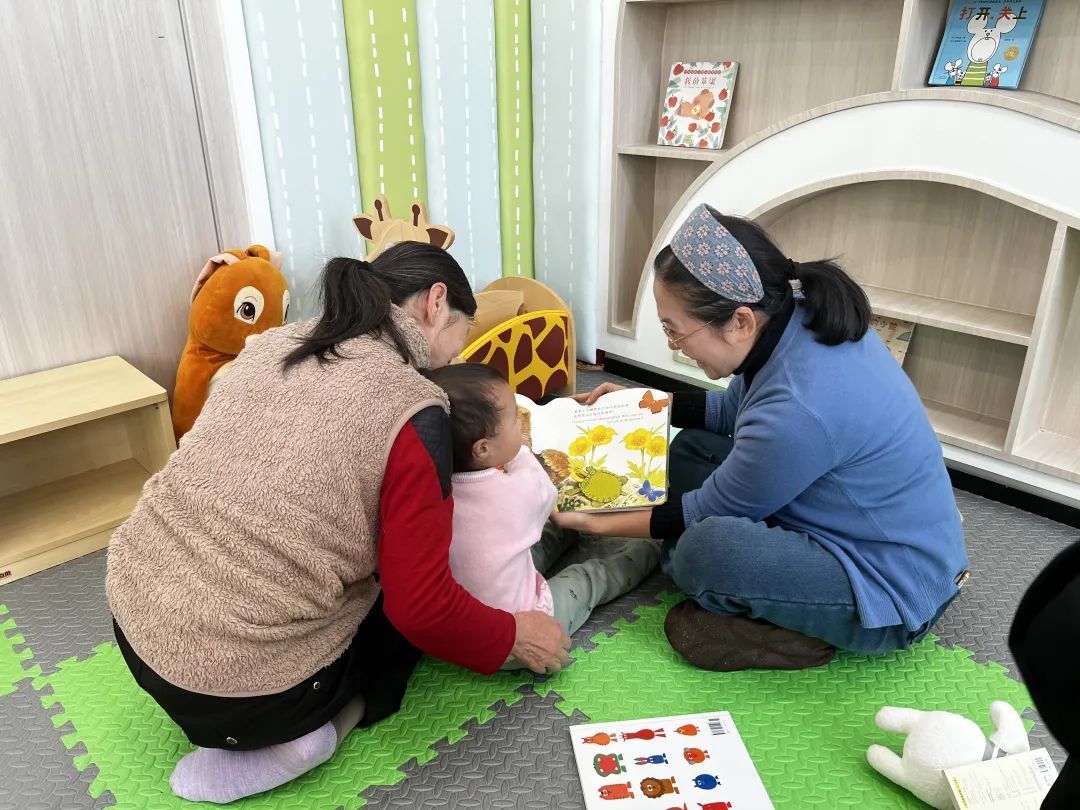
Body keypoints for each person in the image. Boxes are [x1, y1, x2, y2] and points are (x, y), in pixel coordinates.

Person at [105, 243, 570, 805]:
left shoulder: (275, 342)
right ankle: (311, 737)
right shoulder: (414, 408)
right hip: (247, 689)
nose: (454, 358)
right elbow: (422, 609)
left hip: (134, 622)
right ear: (435, 303)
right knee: (405, 612)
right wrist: (514, 635)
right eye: (461, 336)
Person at [557, 203, 968, 672]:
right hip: (852, 515)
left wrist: (594, 522)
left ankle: (799, 631)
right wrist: (645, 405)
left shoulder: (798, 408)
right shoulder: (791, 319)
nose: (675, 345)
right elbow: (732, 411)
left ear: (740, 321)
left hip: (888, 587)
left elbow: (703, 511)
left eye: (675, 331)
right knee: (690, 448)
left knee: (699, 553)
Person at [424, 363, 660, 644]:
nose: (522, 423)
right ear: (483, 448)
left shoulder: (433, 488)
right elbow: (548, 494)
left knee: (533, 540)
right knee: (586, 577)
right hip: (526, 629)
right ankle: (648, 552)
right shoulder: (512, 492)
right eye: (515, 419)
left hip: (466, 618)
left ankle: (570, 535)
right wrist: (523, 450)